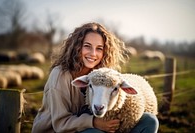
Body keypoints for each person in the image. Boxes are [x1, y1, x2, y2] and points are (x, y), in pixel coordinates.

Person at [31, 22, 159, 133]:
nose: (93, 54)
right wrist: (94, 122)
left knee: (150, 120)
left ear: (105, 51)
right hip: (58, 130)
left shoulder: (100, 75)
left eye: (99, 48)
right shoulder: (60, 75)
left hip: (88, 127)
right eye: (87, 46)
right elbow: (60, 124)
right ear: (77, 47)